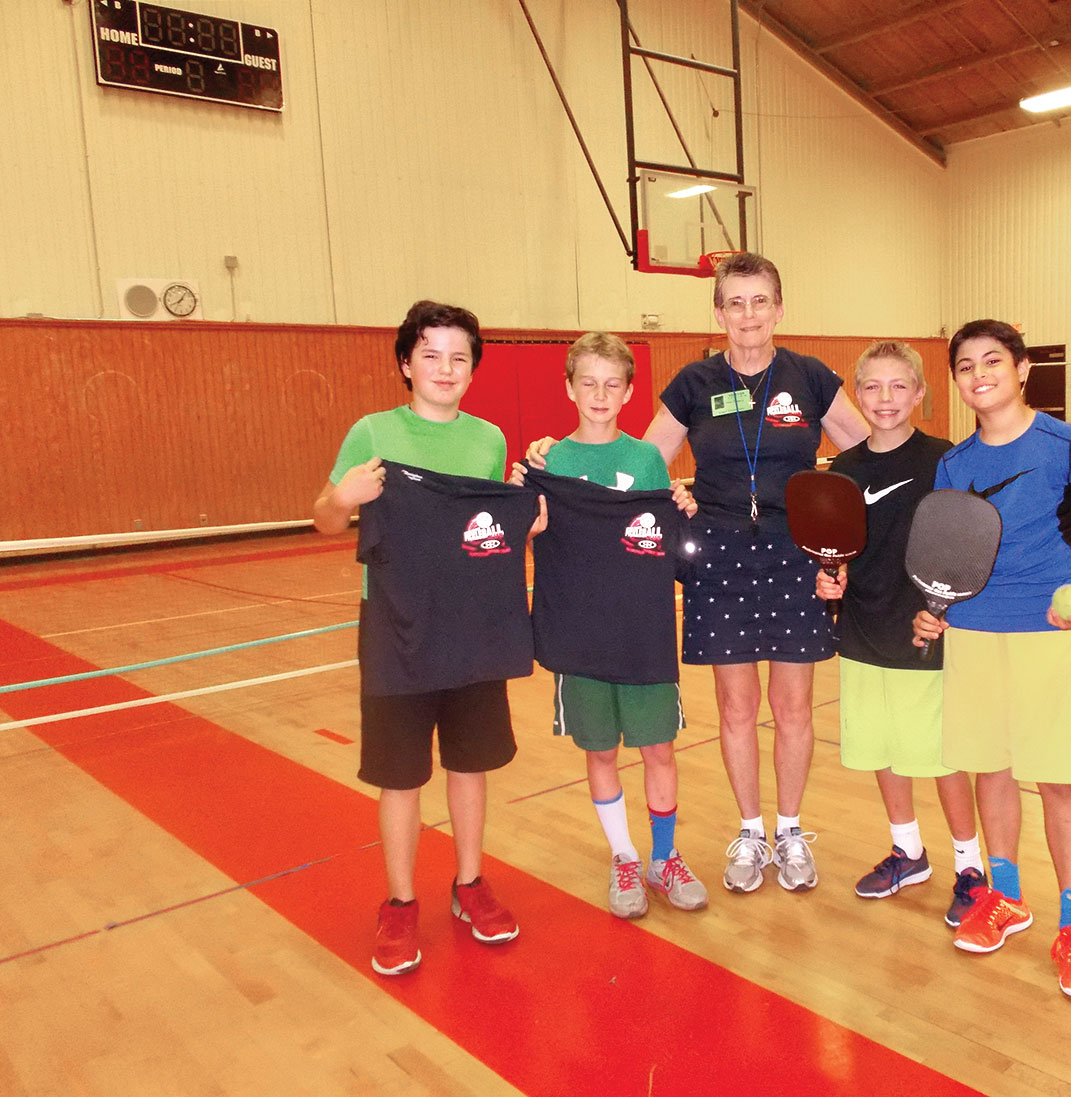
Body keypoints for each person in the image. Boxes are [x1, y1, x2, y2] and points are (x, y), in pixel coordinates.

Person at [526, 253, 869, 893]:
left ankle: (789, 832)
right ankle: (748, 830)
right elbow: (636, 463)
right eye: (734, 303)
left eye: (759, 301)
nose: (748, 315)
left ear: (779, 308)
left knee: (793, 708)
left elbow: (867, 451)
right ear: (718, 313)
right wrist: (552, 457)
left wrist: (843, 537)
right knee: (736, 709)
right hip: (720, 558)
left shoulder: (811, 378)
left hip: (796, 557)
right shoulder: (693, 382)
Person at [314, 300, 540, 976]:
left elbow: (484, 531)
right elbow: (324, 519)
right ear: (405, 363)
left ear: (473, 368)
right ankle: (400, 900)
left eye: (459, 357)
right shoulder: (371, 431)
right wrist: (345, 496)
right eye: (431, 355)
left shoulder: (489, 440)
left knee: (469, 763)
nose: (445, 368)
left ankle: (470, 884)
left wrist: (522, 515)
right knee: (400, 772)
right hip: (395, 625)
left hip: (473, 622)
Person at [913, 319, 1071, 1002]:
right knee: (991, 768)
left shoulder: (1069, 445)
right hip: (971, 634)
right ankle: (1004, 896)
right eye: (966, 365)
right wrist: (933, 611)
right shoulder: (952, 464)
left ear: (1022, 367)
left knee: (1060, 781)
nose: (979, 375)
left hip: (1044, 635)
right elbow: (950, 558)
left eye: (992, 361)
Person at [518, 331, 709, 919]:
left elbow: (664, 543)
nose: (599, 394)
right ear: (569, 387)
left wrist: (683, 509)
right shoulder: (548, 462)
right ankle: (624, 856)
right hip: (579, 634)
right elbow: (526, 535)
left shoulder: (647, 459)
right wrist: (523, 505)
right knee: (599, 751)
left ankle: (665, 857)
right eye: (588, 383)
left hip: (641, 633)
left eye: (612, 384)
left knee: (658, 748)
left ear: (628, 391)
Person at [814, 342, 986, 926]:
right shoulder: (844, 468)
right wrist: (830, 579)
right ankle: (908, 851)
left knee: (939, 756)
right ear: (857, 395)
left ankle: (971, 867)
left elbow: (967, 547)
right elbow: (838, 550)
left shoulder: (947, 461)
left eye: (897, 387)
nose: (884, 399)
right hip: (862, 628)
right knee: (884, 747)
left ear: (918, 394)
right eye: (871, 387)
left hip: (924, 631)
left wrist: (946, 613)